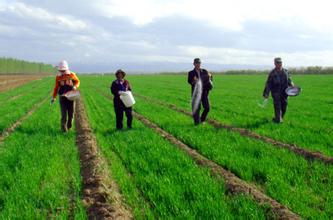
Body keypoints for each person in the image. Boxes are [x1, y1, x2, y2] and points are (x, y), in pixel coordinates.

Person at [51, 60, 80, 132]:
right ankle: (64, 130)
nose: (62, 72)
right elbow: (56, 87)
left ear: (66, 69)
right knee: (64, 115)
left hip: (71, 97)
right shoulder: (58, 77)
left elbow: (77, 81)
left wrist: (75, 87)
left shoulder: (71, 75)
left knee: (71, 114)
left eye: (64, 70)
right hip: (62, 97)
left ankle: (69, 126)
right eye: (61, 70)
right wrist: (54, 97)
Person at [263, 57, 293, 123]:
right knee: (277, 107)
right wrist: (266, 94)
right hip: (276, 94)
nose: (279, 64)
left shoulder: (286, 71)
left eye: (280, 62)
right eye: (278, 63)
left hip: (285, 93)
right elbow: (268, 84)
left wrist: (293, 87)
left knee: (284, 108)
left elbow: (290, 81)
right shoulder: (272, 73)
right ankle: (278, 121)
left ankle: (278, 118)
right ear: (275, 64)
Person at [188, 58, 213, 125]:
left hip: (204, 92)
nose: (198, 64)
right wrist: (194, 81)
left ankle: (202, 120)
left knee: (207, 108)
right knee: (196, 108)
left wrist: (210, 76)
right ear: (194, 64)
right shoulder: (191, 73)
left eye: (199, 63)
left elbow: (210, 78)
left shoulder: (204, 71)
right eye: (196, 63)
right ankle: (197, 123)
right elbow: (190, 81)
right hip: (196, 93)